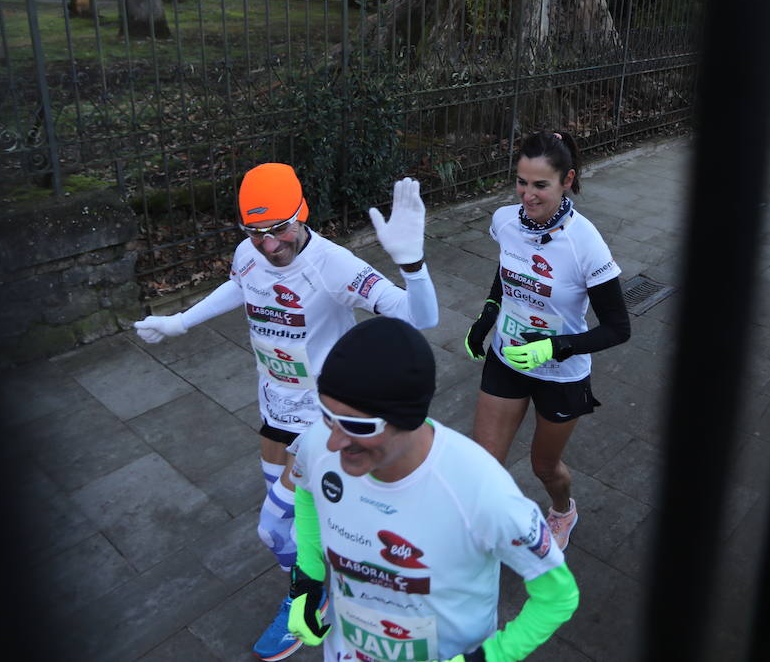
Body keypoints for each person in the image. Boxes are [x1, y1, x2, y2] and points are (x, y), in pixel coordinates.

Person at [131, 163, 438, 659]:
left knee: (274, 527)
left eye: (279, 229)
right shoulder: (248, 255)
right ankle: (322, 583)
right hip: (275, 412)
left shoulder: (333, 265)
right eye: (255, 233)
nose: (270, 245)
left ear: (303, 214)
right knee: (303, 527)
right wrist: (181, 322)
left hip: (321, 427)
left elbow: (423, 317)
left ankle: (312, 601)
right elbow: (242, 284)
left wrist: (414, 264)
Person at [275, 316, 580, 662]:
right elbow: (307, 492)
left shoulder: (483, 492)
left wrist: (489, 657)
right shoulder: (319, 443)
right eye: (327, 415)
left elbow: (558, 596)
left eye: (357, 425)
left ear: (409, 416)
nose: (334, 440)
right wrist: (308, 580)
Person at [463, 131, 630, 551]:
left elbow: (618, 328)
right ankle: (486, 534)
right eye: (521, 182)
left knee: (544, 466)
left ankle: (561, 510)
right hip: (507, 357)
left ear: (566, 180)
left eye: (540, 185)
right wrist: (487, 315)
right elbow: (506, 274)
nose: (527, 195)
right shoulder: (504, 220)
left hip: (560, 373)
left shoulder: (585, 243)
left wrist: (555, 347)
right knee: (483, 464)